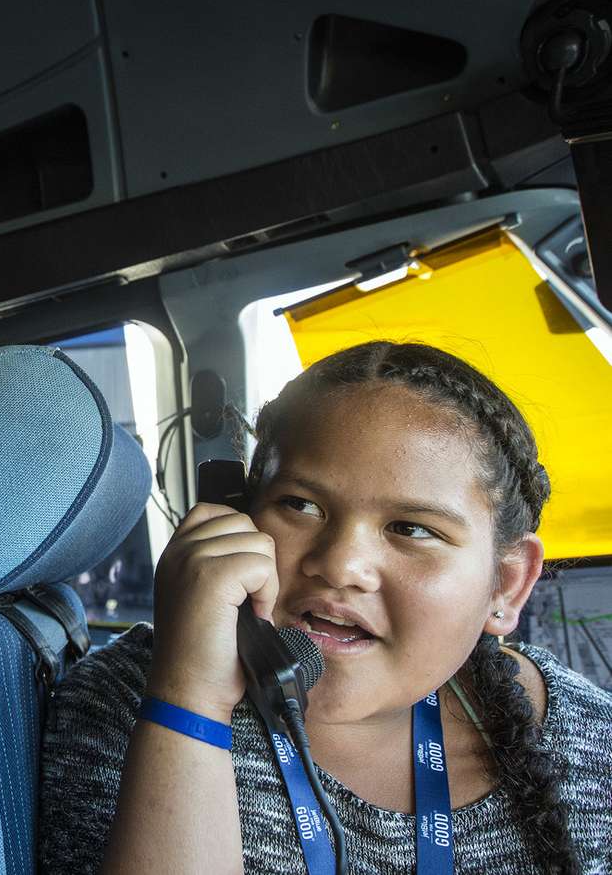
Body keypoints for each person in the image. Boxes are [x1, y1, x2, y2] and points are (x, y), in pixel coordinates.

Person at [39, 341, 612, 874]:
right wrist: (189, 699)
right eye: (300, 504)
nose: (339, 565)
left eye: (411, 528)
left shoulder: (590, 741)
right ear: (233, 514)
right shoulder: (123, 705)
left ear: (506, 585)